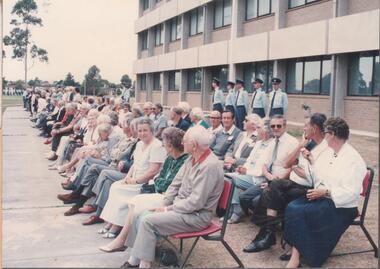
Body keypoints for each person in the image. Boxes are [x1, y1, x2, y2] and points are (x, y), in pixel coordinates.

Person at [120, 126, 224, 268]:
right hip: (182, 209)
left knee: (148, 221)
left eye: (185, 141)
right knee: (139, 214)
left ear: (194, 145)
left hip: (197, 216)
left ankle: (143, 264)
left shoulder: (209, 166)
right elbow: (175, 184)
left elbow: (196, 203)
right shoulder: (193, 158)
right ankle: (135, 259)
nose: (182, 143)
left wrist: (167, 209)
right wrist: (164, 203)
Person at [284, 117, 366, 268]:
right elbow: (320, 176)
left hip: (342, 206)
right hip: (326, 197)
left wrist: (325, 192)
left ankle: (295, 258)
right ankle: (297, 251)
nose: (324, 136)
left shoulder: (353, 159)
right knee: (292, 206)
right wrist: (311, 161)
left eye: (326, 133)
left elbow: (352, 192)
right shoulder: (332, 152)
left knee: (302, 211)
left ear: (332, 134)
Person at [243, 113, 329, 253]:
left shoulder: (324, 148)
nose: (303, 127)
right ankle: (269, 233)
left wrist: (303, 170)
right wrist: (301, 146)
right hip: (294, 183)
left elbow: (317, 177)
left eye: (306, 125)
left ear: (314, 128)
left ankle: (266, 234)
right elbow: (286, 163)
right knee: (272, 189)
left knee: (271, 191)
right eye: (273, 126)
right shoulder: (308, 143)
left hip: (309, 188)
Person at [98, 127, 188, 252]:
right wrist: (159, 181)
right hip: (161, 194)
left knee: (136, 203)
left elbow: (165, 183)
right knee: (133, 202)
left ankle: (121, 240)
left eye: (164, 144)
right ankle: (121, 239)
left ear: (170, 146)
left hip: (171, 200)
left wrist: (158, 181)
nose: (163, 146)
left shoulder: (184, 160)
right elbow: (160, 179)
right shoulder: (169, 158)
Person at [238, 114, 297, 251]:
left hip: (283, 182)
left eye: (279, 126)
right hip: (269, 179)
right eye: (273, 126)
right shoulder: (273, 142)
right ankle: (266, 231)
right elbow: (264, 165)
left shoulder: (291, 142)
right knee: (246, 197)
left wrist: (274, 181)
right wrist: (269, 177)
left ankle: (266, 234)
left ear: (285, 126)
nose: (275, 128)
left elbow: (291, 168)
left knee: (261, 198)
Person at [99, 118, 166, 237]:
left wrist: (135, 181)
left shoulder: (157, 146)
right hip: (134, 180)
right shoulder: (139, 144)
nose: (142, 133)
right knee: (115, 186)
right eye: (139, 131)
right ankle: (111, 222)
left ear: (152, 131)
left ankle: (116, 226)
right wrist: (128, 177)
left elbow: (153, 171)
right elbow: (135, 164)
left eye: (145, 130)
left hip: (145, 184)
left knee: (119, 190)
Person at [225, 120, 273, 224]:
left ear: (266, 131)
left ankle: (236, 211)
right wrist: (242, 168)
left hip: (258, 179)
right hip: (249, 174)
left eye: (259, 128)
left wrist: (247, 172)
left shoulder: (272, 145)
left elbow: (263, 167)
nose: (257, 130)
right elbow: (249, 160)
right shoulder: (259, 143)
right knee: (228, 179)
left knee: (230, 179)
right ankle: (233, 210)